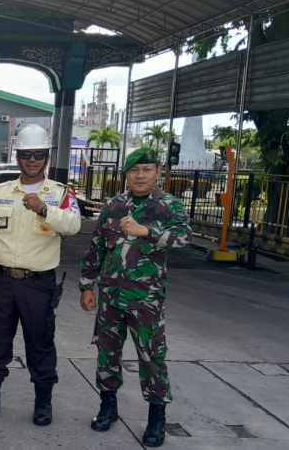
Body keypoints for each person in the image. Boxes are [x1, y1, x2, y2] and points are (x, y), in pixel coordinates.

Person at [79, 147, 192, 448]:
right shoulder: (114, 206)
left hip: (146, 301)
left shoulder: (169, 206)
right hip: (110, 298)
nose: (140, 175)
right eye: (134, 170)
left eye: (147, 169)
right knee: (107, 355)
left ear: (157, 172)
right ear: (126, 174)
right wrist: (87, 285)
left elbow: (183, 239)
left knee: (152, 358)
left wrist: (146, 231)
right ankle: (108, 407)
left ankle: (157, 418)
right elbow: (95, 247)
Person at [0, 124, 81, 426]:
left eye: (38, 154)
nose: (31, 160)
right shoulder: (0, 193)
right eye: (26, 154)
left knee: (41, 344)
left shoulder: (61, 194)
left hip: (38, 284)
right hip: (1, 281)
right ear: (17, 156)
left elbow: (74, 226)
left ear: (46, 157)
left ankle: (43, 404)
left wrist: (45, 210)